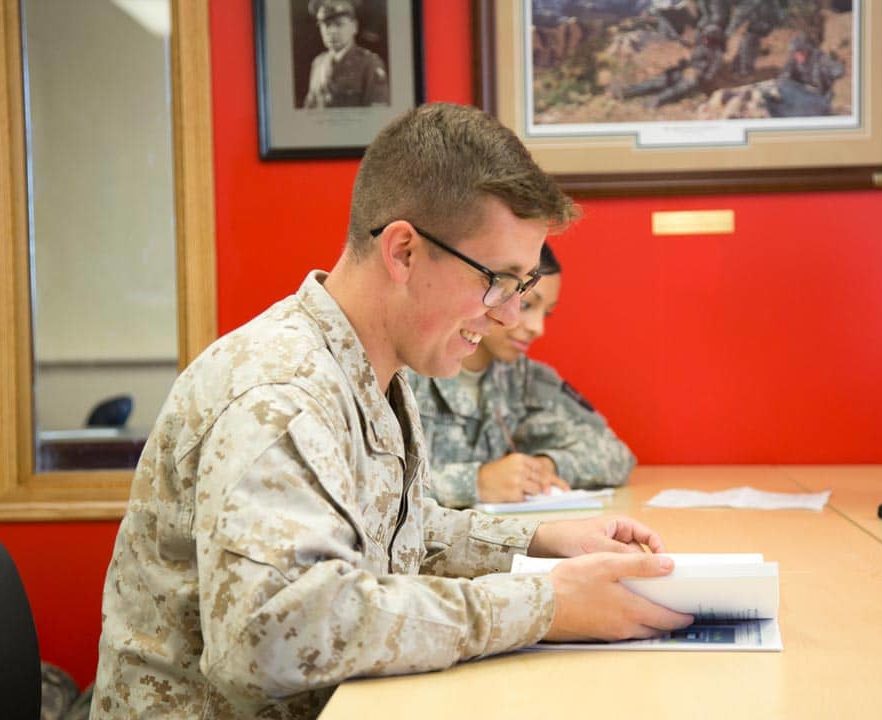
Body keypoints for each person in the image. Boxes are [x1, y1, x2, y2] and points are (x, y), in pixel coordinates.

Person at [89, 102, 693, 719]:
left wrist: (540, 540)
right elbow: (271, 637)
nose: (509, 316)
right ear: (403, 251)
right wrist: (542, 602)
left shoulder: (370, 368)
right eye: (498, 281)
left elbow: (386, 534)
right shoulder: (280, 394)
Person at [409, 243, 635, 508]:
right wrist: (475, 483)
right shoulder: (408, 366)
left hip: (493, 540)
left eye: (546, 313)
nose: (538, 328)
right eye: (527, 305)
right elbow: (367, 489)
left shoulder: (520, 378)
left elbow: (615, 455)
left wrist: (543, 466)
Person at [302, 0, 389, 109]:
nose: (332, 31)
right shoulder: (318, 63)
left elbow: (378, 114)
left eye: (339, 24)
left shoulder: (370, 63)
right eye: (326, 25)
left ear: (354, 27)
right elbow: (309, 111)